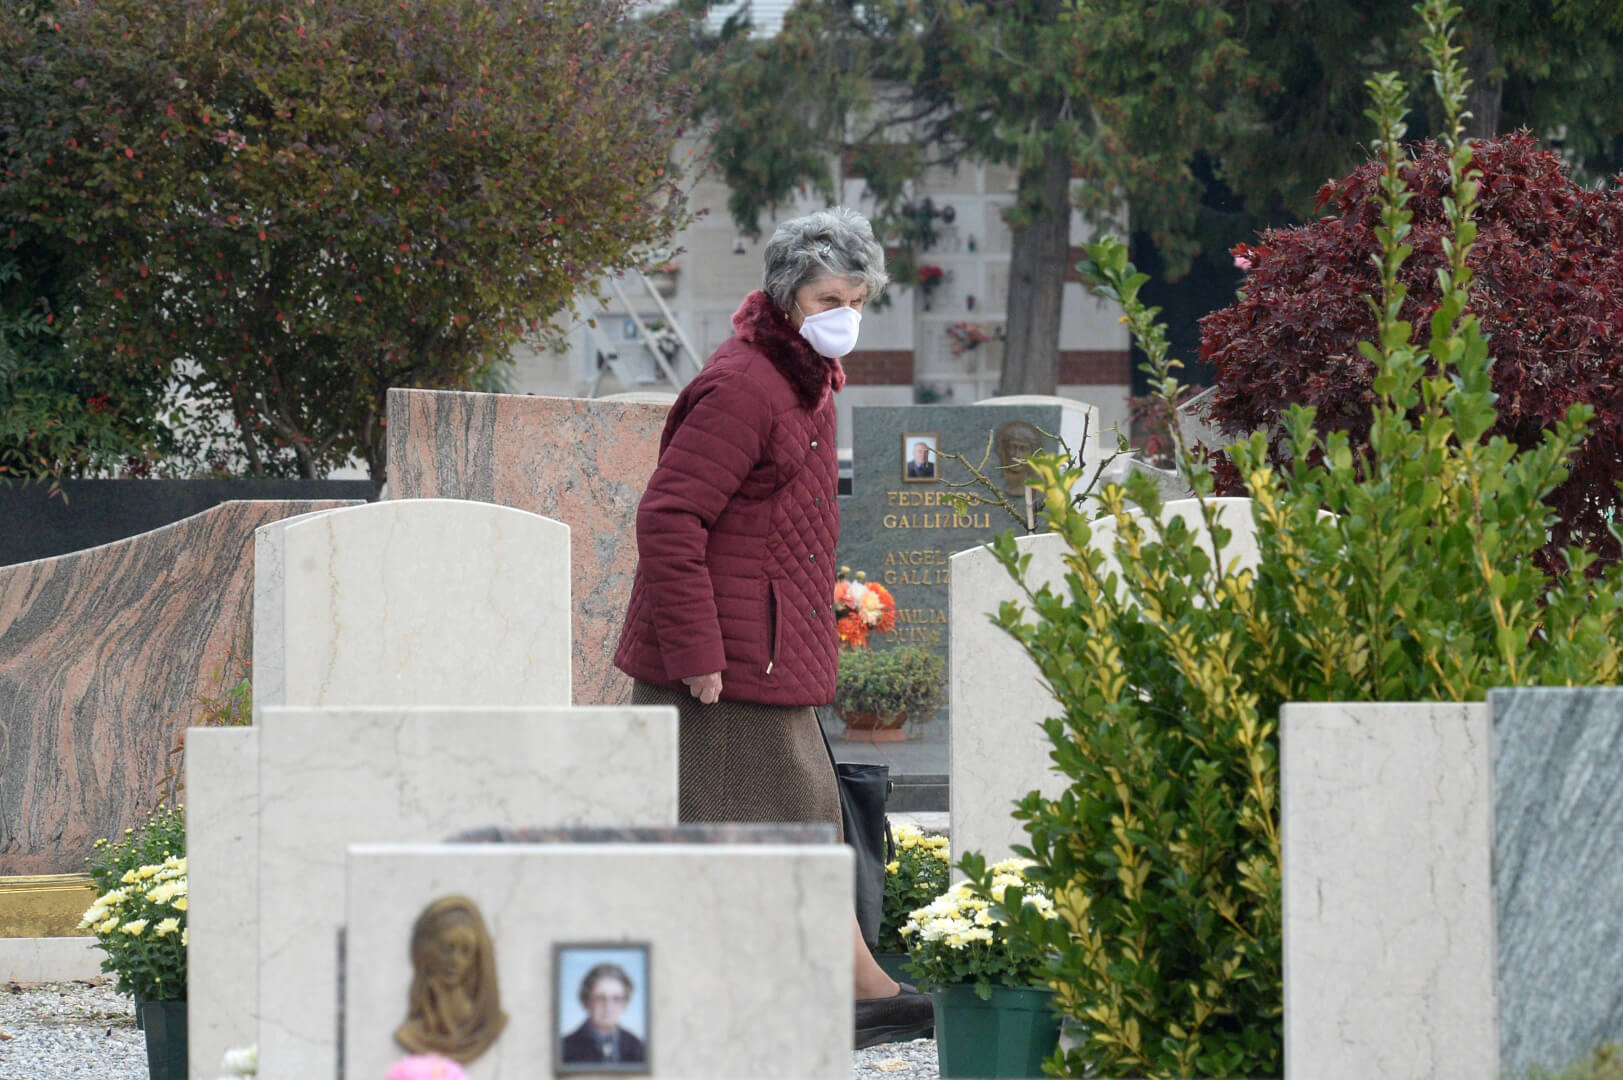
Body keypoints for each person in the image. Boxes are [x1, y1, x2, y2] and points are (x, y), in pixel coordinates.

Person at [613, 207, 934, 1049]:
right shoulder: (745, 385)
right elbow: (670, 517)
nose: (846, 316)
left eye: (858, 300)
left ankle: (849, 985)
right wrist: (698, 653)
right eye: (830, 298)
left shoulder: (801, 377)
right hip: (721, 667)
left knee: (806, 818)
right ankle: (820, 994)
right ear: (789, 296)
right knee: (768, 827)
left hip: (768, 652)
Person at [394, 896, 507, 1064]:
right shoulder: (413, 1031)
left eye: (465, 951)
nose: (455, 961)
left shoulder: (486, 1023)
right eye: (446, 949)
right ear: (426, 950)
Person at [560, 963, 647, 1064]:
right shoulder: (564, 1048)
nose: (608, 1006)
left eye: (616, 999)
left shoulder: (638, 1047)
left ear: (625, 1003)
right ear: (587, 1001)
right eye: (600, 998)